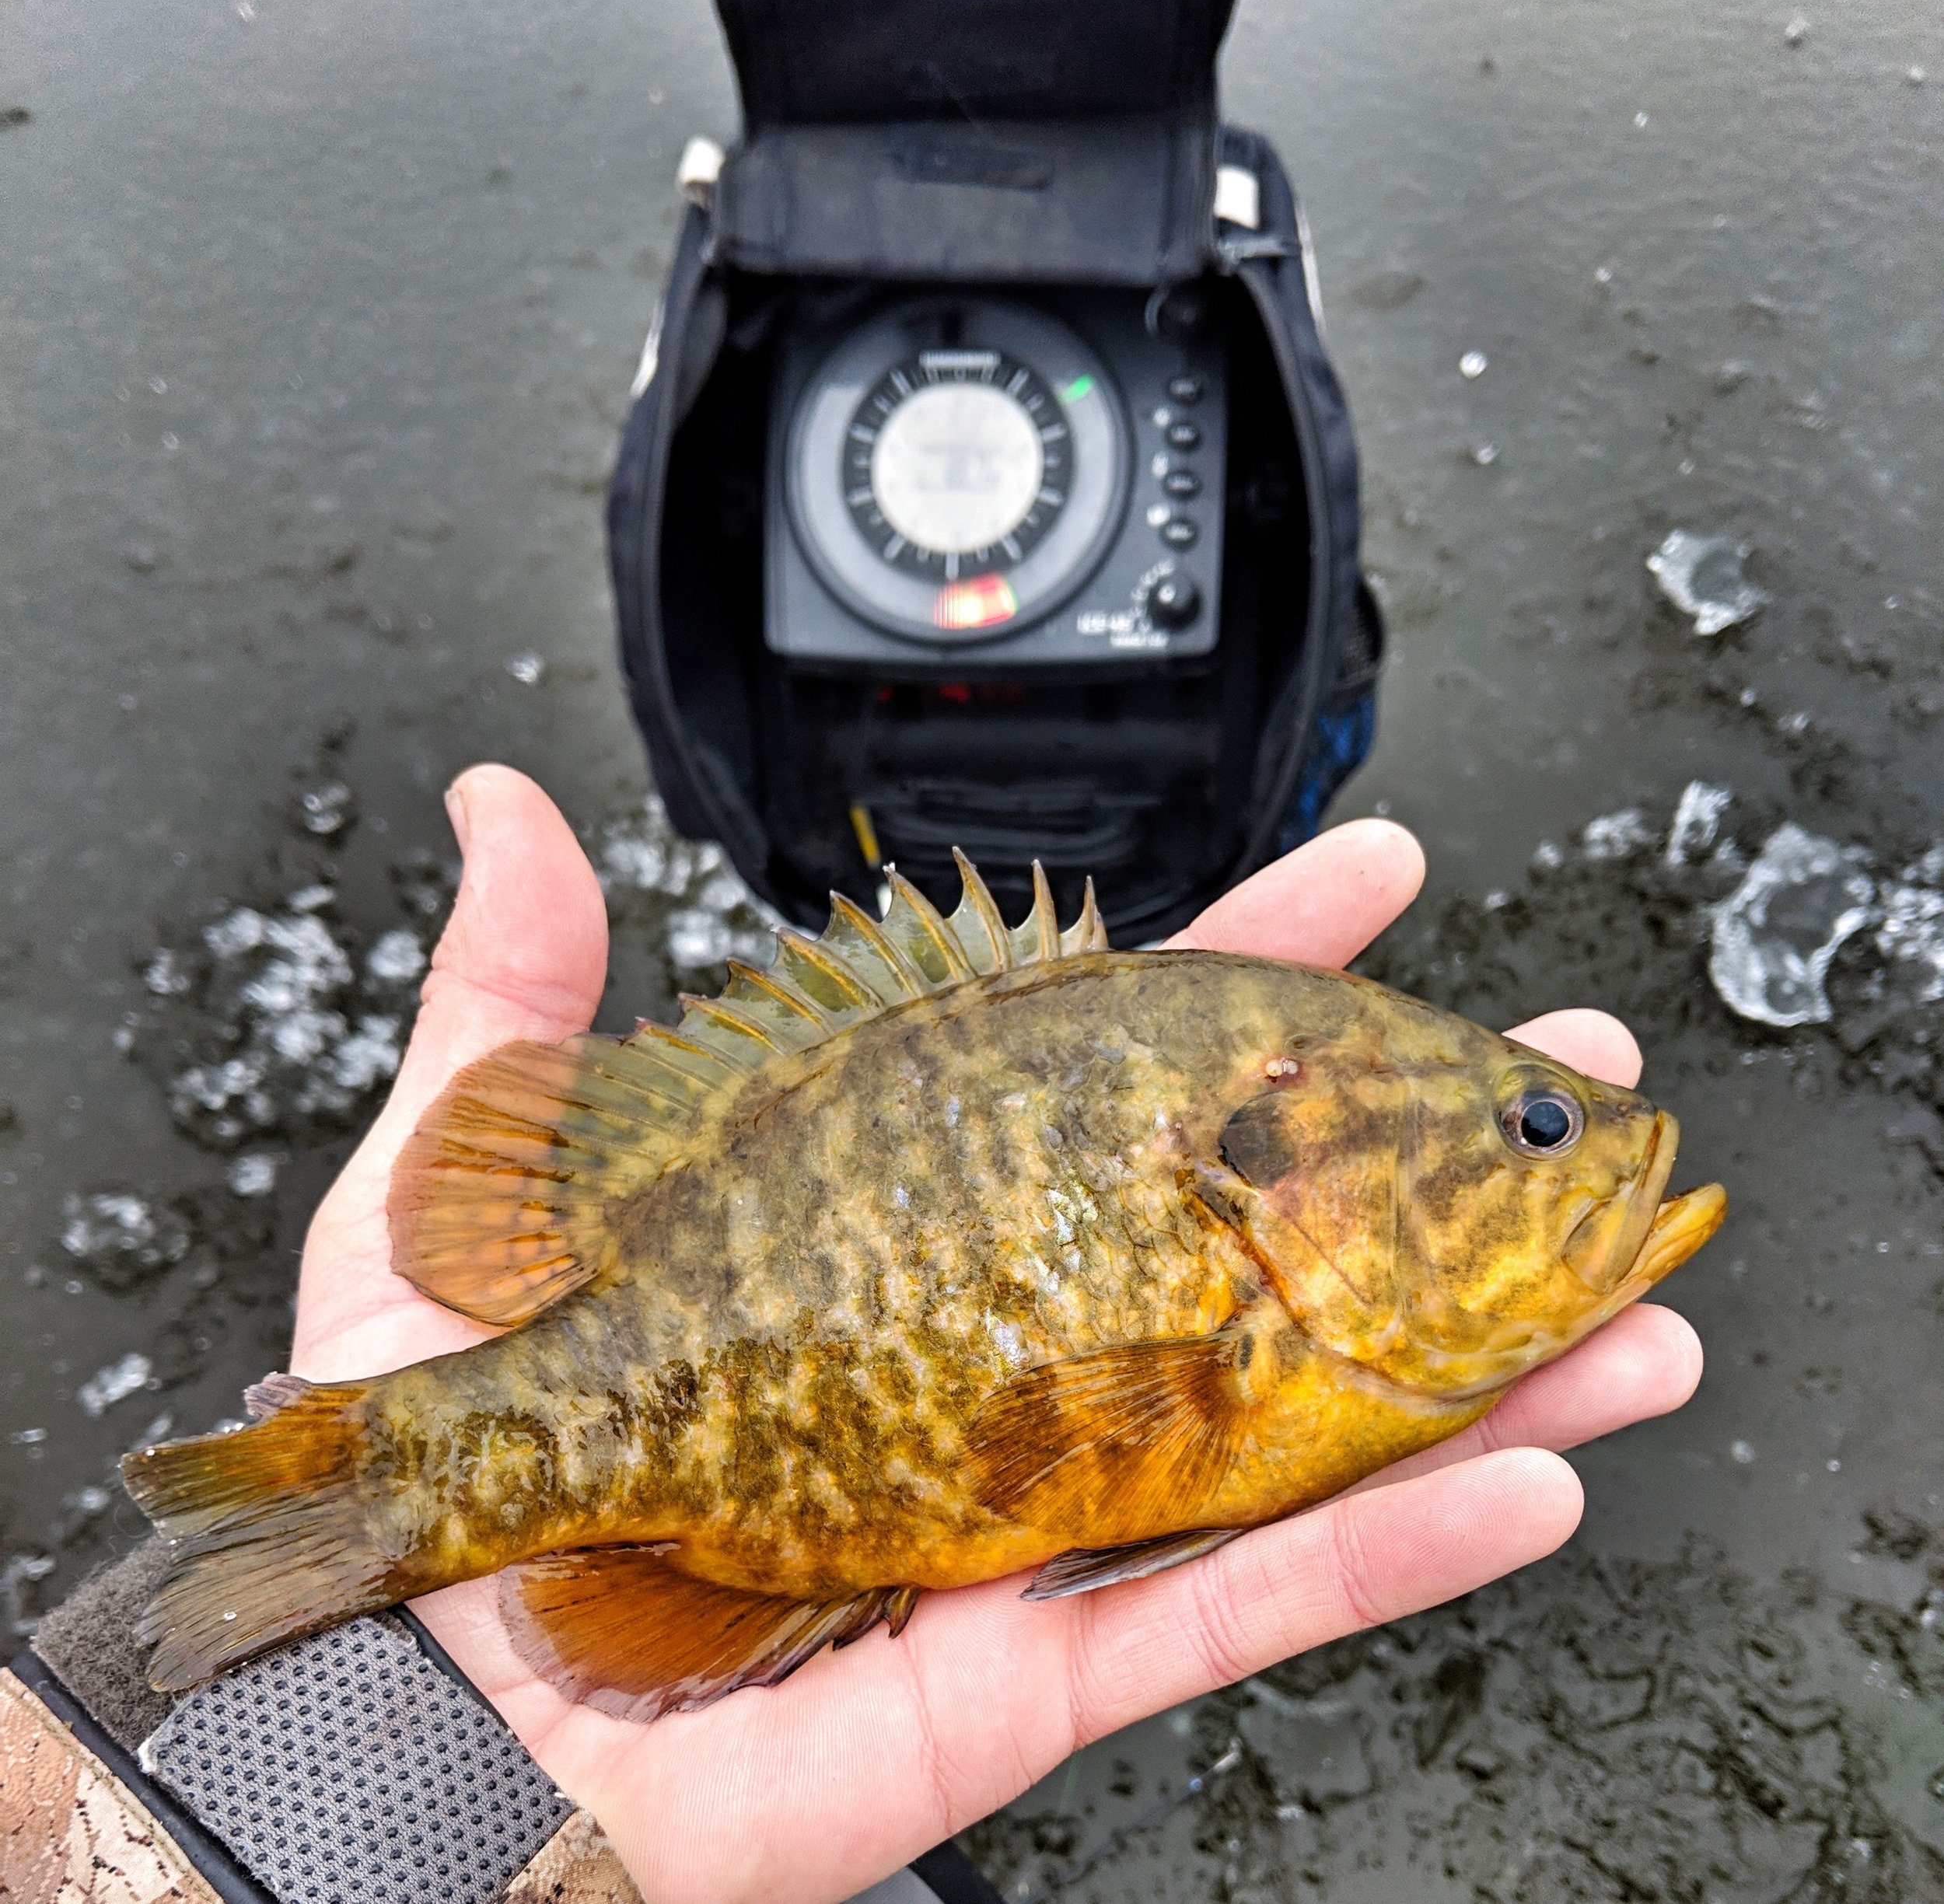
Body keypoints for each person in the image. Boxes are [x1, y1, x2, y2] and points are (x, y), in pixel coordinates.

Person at [10, 766, 1703, 1904]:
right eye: (1529, 1129)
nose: (1589, 1141)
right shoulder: (1254, 1321)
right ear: (1288, 1159)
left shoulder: (1272, 1324)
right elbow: (1105, 1433)